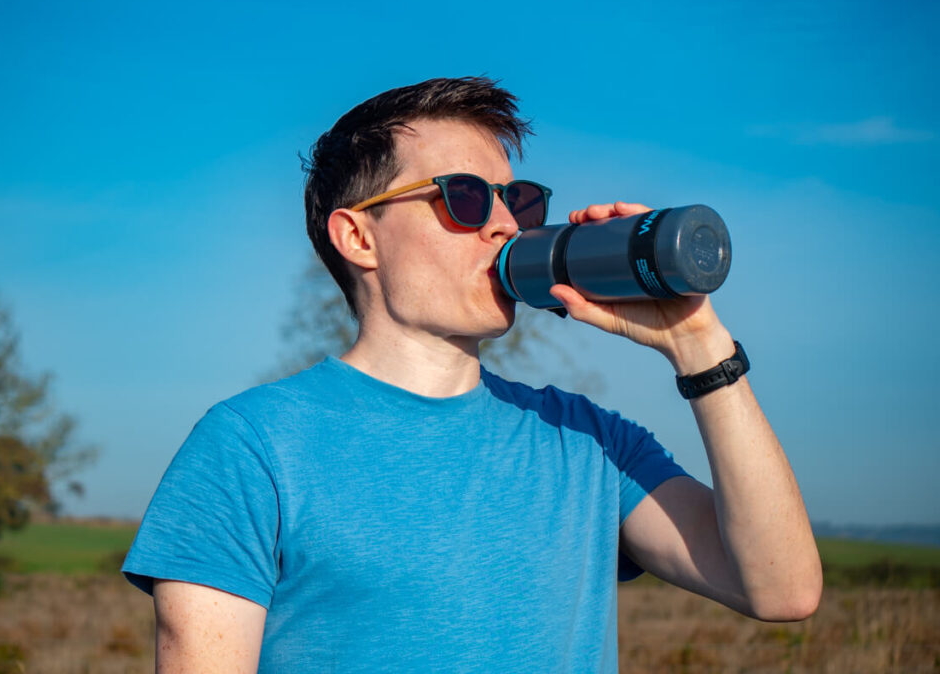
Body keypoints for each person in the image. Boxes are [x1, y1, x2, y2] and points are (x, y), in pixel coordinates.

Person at [123, 76, 821, 672]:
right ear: (358, 236)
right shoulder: (249, 448)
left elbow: (781, 590)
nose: (502, 226)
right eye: (462, 196)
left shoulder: (589, 442)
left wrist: (698, 342)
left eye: (515, 201)